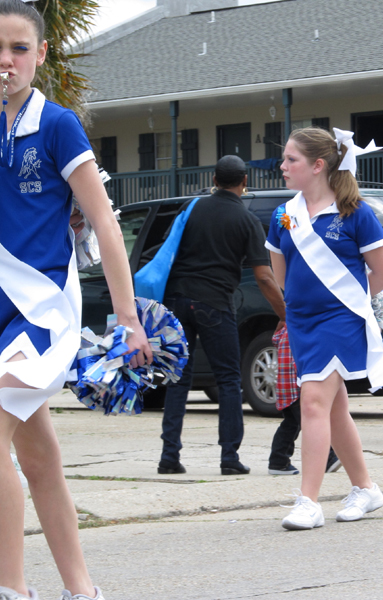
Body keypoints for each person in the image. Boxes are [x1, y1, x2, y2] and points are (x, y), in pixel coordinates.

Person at [0, 2, 152, 599]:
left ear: (40, 55)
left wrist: (129, 318)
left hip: (41, 317)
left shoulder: (58, 124)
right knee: (38, 462)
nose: (5, 60)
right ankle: (82, 591)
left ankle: (12, 588)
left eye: (18, 48)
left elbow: (106, 224)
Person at [267, 126, 383, 529]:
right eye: (285, 158)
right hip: (302, 322)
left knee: (313, 403)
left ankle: (308, 500)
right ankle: (365, 487)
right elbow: (280, 274)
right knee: (334, 408)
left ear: (317, 165)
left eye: (292, 159)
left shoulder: (355, 213)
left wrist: (352, 302)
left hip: (340, 321)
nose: (283, 166)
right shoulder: (283, 214)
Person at [159, 155, 285, 477]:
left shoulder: (192, 208)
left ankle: (169, 455)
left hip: (178, 299)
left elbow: (167, 251)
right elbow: (264, 276)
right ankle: (229, 456)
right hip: (214, 303)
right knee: (229, 379)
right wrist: (285, 313)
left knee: (179, 378)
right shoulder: (246, 221)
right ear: (244, 182)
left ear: (214, 180)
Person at [267, 325, 341, 475]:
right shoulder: (302, 330)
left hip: (285, 387)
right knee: (312, 424)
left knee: (290, 424)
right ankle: (328, 457)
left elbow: (276, 340)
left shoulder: (284, 330)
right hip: (298, 387)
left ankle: (278, 461)